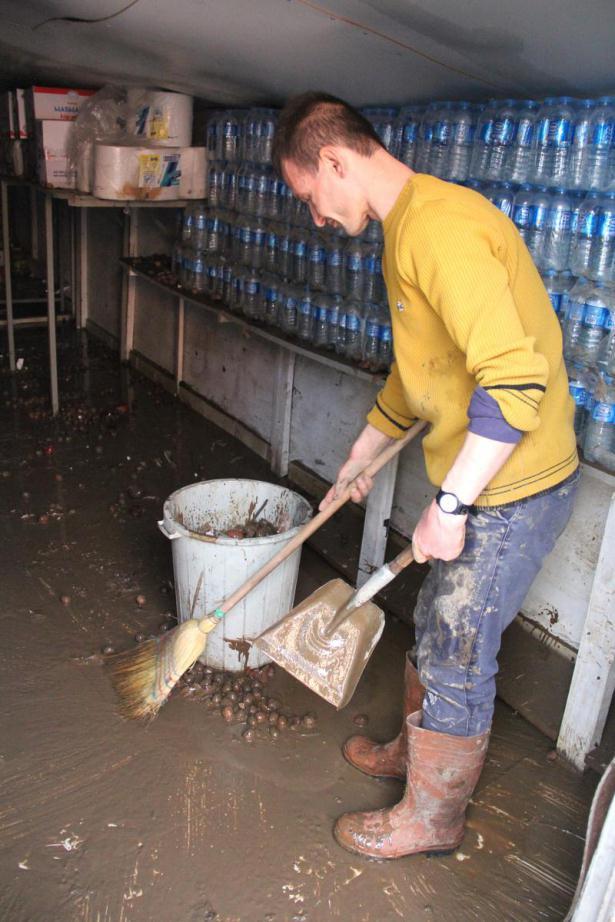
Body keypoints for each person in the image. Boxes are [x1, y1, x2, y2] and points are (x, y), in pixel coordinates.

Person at [272, 92, 580, 860]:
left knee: (456, 648)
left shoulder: (438, 228)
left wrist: (449, 504)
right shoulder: (406, 227)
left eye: (309, 196)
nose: (315, 218)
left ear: (334, 161)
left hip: (513, 486)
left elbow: (514, 380)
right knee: (439, 619)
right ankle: (417, 754)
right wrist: (359, 457)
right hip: (483, 480)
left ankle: (432, 819)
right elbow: (421, 374)